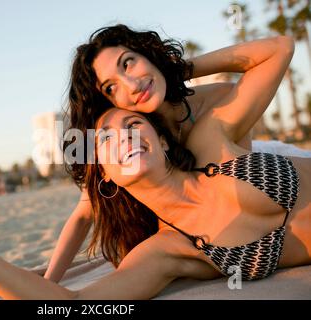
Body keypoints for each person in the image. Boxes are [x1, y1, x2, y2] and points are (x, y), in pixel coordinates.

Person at [0, 103, 310, 298]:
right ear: (106, 174)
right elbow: (70, 305)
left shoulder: (210, 145)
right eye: (106, 139)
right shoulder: (164, 251)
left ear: (164, 141)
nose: (126, 137)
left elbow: (274, 54)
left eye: (134, 124)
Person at [44, 24, 311, 282]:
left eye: (128, 63)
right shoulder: (132, 141)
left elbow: (279, 48)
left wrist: (176, 69)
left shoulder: (217, 98)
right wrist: (50, 280)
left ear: (148, 55)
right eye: (111, 88)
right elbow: (84, 214)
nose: (132, 85)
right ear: (111, 103)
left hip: (256, 166)